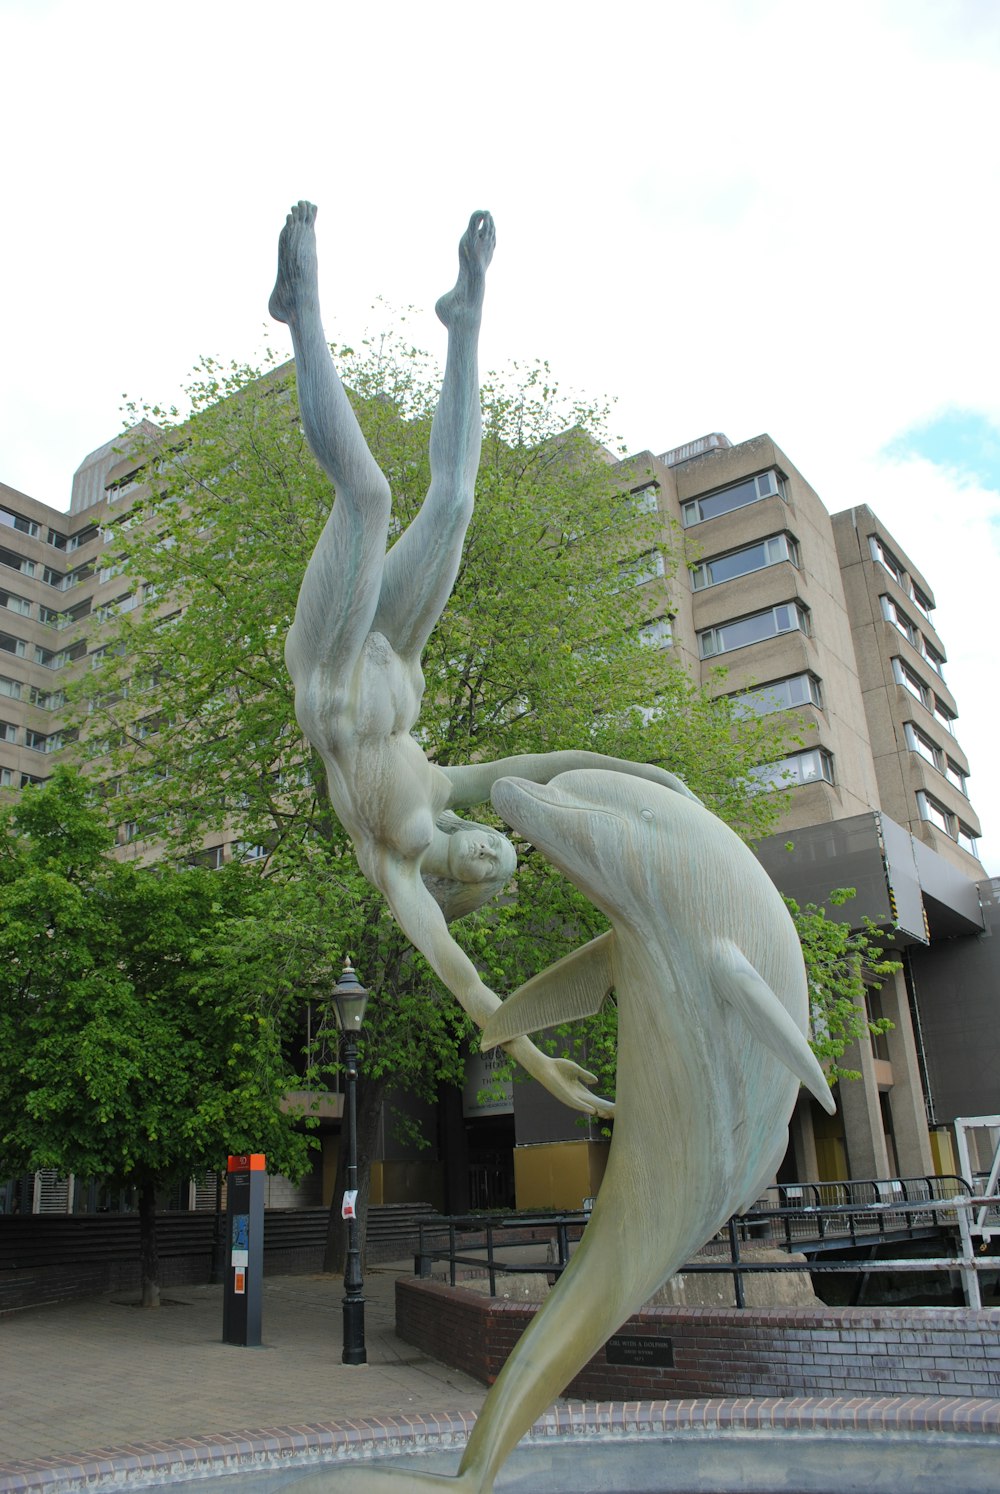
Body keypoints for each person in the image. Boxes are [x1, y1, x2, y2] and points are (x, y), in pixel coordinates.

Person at [270, 203, 695, 1115]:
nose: (498, 856)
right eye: (506, 854)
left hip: (335, 666)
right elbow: (540, 767)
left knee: (367, 495)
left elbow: (465, 981)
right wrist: (641, 770)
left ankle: (299, 312)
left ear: (463, 880)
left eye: (490, 869)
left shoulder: (396, 859)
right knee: (456, 500)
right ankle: (464, 320)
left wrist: (537, 1065)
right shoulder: (444, 788)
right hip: (397, 648)